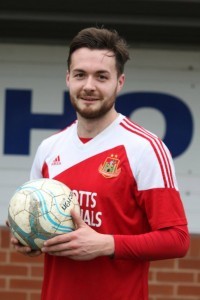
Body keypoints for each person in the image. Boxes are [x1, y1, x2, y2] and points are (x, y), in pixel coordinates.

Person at [11, 27, 190, 300]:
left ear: (120, 82)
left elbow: (177, 239)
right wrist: (31, 238)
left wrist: (106, 244)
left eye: (102, 76)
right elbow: (43, 224)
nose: (89, 86)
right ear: (68, 78)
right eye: (80, 74)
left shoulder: (145, 148)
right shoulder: (49, 149)